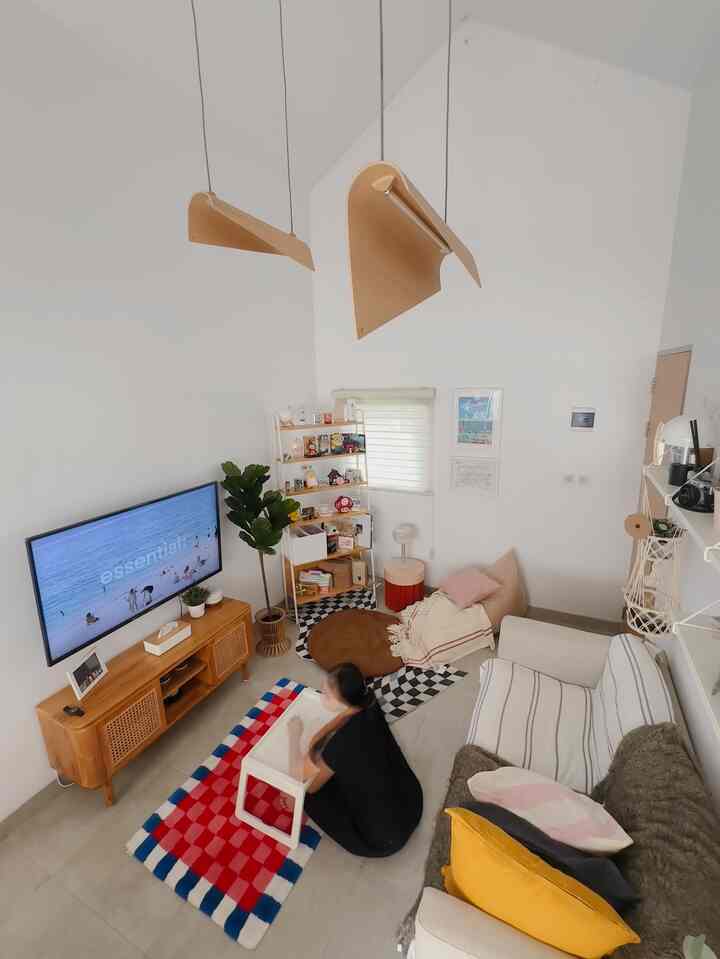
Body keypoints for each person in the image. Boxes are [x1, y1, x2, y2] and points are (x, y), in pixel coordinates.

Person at [286, 662, 423, 857]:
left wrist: (294, 737)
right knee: (340, 770)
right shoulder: (368, 703)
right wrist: (317, 738)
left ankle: (296, 803)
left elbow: (303, 780)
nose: (321, 695)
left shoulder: (341, 743)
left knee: (306, 793)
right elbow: (338, 721)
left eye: (326, 694)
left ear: (341, 702)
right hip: (410, 803)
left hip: (382, 838)